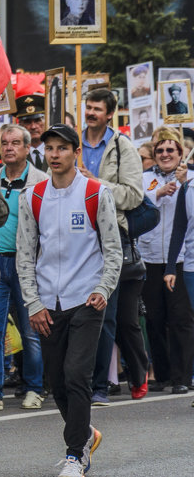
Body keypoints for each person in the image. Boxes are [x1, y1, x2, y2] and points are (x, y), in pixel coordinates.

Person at [16, 124, 120, 477]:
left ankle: (75, 454)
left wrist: (103, 289)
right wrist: (33, 303)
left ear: (76, 151)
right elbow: (25, 255)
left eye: (62, 148)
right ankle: (87, 432)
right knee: (56, 381)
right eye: (50, 149)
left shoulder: (95, 193)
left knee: (77, 375)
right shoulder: (33, 196)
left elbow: (113, 251)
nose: (55, 155)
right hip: (47, 304)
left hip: (86, 301)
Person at [0, 124, 47, 412]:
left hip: (28, 263)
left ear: (27, 147)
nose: (9, 147)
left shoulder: (40, 180)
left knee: (30, 330)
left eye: (16, 142)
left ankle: (35, 387)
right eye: (5, 143)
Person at [79, 87, 143, 406]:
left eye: (96, 109)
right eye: (87, 107)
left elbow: (134, 195)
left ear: (108, 114)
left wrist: (95, 184)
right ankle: (74, 380)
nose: (90, 113)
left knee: (105, 312)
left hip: (108, 237)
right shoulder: (72, 143)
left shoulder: (123, 147)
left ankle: (101, 385)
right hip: (75, 235)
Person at [145, 129, 194, 394]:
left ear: (180, 152)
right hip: (150, 257)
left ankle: (182, 376)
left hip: (181, 259)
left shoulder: (190, 176)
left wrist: (184, 183)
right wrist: (158, 194)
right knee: (154, 319)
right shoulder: (145, 178)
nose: (165, 155)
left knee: (181, 319)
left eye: (170, 150)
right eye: (160, 150)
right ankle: (161, 374)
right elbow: (136, 203)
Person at [16, 94, 47, 171]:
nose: (33, 127)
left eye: (37, 121)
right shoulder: (16, 155)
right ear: (20, 125)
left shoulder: (56, 150)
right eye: (27, 122)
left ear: (45, 122)